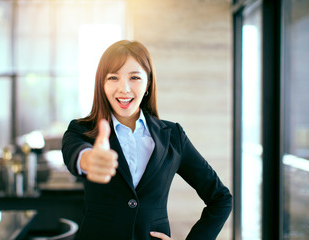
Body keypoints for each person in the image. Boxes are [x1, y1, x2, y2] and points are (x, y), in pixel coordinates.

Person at [62, 40, 232, 240]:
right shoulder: (82, 130)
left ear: (148, 82)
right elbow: (76, 153)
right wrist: (89, 159)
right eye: (113, 78)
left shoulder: (173, 136)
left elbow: (221, 198)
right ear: (102, 84)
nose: (124, 88)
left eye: (134, 77)